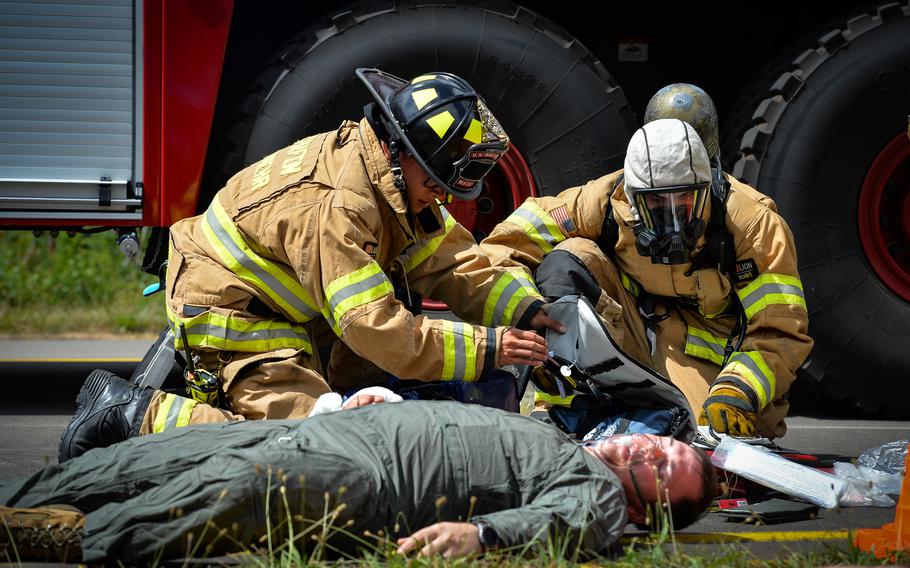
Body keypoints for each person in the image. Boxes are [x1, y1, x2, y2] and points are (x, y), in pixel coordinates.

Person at [57, 68, 565, 462]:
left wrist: (523, 311)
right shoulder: (342, 208)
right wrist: (486, 348)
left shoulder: (389, 177)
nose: (441, 197)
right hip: (231, 310)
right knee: (303, 445)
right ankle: (132, 412)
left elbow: (449, 262)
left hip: (286, 307)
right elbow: (376, 328)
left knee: (357, 405)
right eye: (435, 182)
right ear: (404, 151)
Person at [481, 91, 813, 440]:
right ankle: (566, 398)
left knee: (700, 441)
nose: (671, 216)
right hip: (633, 338)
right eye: (656, 200)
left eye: (685, 198)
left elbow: (779, 331)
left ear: (706, 182)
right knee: (570, 256)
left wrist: (739, 390)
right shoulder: (607, 199)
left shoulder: (753, 225)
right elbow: (503, 247)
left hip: (715, 365)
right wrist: (528, 316)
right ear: (632, 190)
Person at [0, 401, 716, 563]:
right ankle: (15, 514)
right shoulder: (560, 432)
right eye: (663, 445)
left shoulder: (595, 498)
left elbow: (562, 525)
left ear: (648, 511)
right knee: (133, 462)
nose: (651, 451)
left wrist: (482, 535)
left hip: (360, 477)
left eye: (663, 471)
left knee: (226, 494)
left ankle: (69, 547)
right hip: (331, 431)